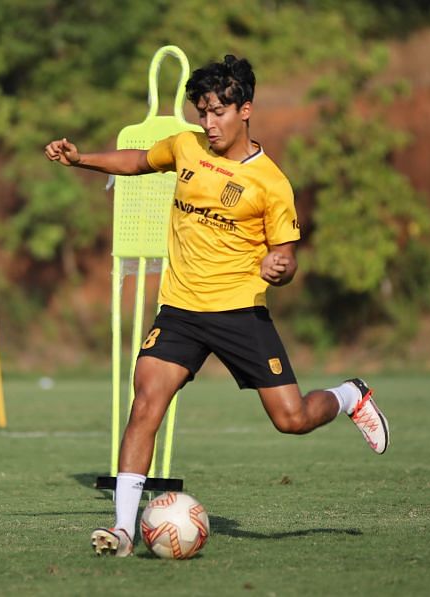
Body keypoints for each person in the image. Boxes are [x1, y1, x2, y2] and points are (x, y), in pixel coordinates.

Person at [44, 55, 389, 557]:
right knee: (145, 404)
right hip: (181, 310)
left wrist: (280, 268)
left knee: (290, 419)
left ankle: (348, 396)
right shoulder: (185, 146)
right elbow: (138, 161)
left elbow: (287, 256)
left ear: (245, 109)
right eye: (202, 112)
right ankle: (121, 529)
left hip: (239, 312)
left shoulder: (271, 182)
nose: (208, 123)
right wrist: (80, 160)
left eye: (218, 112)